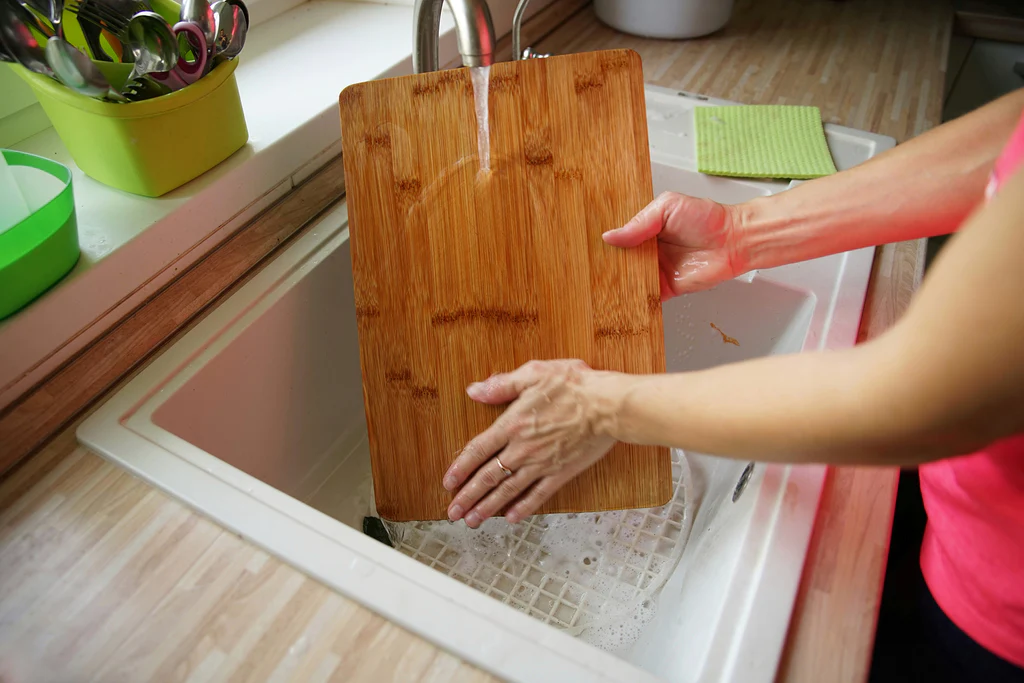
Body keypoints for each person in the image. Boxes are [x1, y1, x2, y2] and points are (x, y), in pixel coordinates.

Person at [442, 87, 1024, 681]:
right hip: (973, 534)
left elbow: (920, 401)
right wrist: (739, 231)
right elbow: (1012, 136)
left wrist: (600, 408)